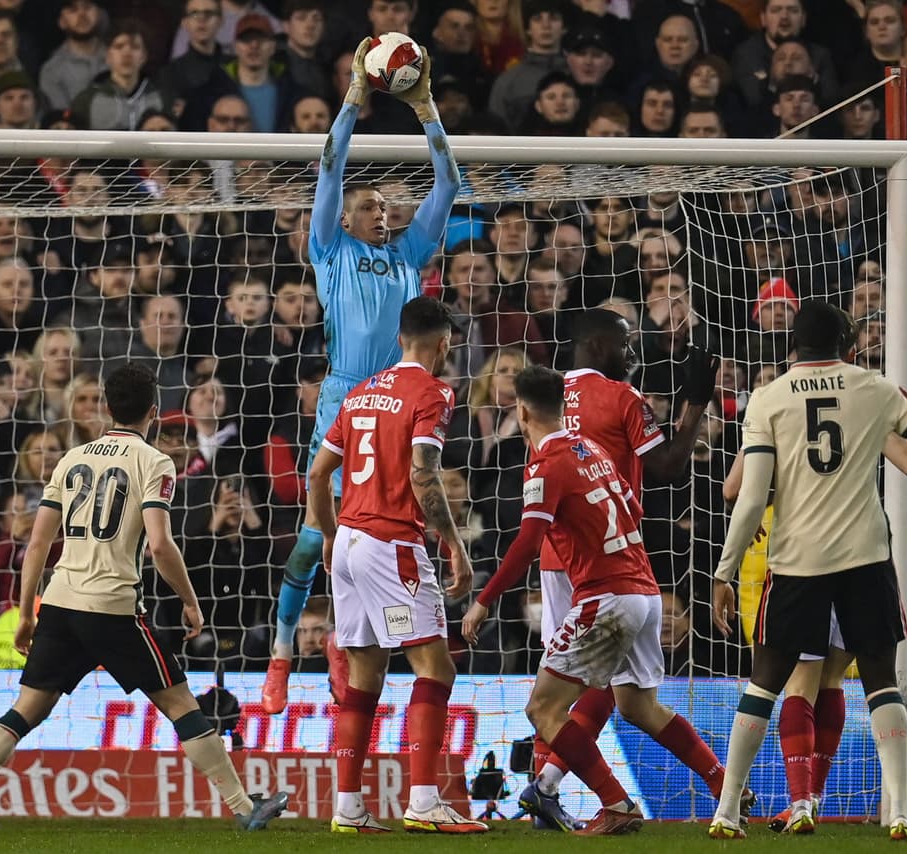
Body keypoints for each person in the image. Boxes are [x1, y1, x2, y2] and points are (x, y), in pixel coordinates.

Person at [0, 364, 288, 830]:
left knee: (28, 707)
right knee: (181, 704)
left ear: (106, 407)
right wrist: (190, 600)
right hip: (112, 607)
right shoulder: (155, 462)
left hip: (62, 603)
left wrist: (26, 614)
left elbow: (38, 544)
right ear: (151, 411)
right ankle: (246, 810)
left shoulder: (72, 459)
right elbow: (161, 545)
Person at [707, 302, 907, 841]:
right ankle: (899, 810)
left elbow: (751, 496)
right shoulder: (875, 387)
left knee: (765, 684)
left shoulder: (768, 397)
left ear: (793, 347)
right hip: (865, 559)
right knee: (880, 684)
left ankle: (728, 809)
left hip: (796, 562)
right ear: (846, 344)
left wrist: (723, 573)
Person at [260, 37, 461, 714]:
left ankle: (355, 644)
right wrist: (353, 99)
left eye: (385, 206)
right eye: (368, 205)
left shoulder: (409, 253)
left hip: (401, 395)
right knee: (320, 534)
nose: (381, 211)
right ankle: (283, 650)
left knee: (385, 529)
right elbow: (329, 164)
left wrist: (427, 111)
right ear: (345, 218)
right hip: (348, 393)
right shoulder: (330, 247)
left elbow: (450, 184)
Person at [511, 309, 744, 832]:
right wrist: (693, 405)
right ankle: (552, 794)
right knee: (607, 689)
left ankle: (549, 792)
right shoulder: (621, 398)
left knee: (579, 685)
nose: (633, 353)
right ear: (596, 344)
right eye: (626, 343)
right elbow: (666, 468)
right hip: (617, 559)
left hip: (559, 557)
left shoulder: (544, 396)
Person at [722, 432, 907, 832]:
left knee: (796, 684)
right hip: (863, 558)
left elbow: (731, 488)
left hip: (802, 557)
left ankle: (791, 803)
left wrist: (750, 506)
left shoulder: (777, 402)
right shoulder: (868, 399)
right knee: (852, 681)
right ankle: (871, 804)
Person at [460, 365, 668, 835]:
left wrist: (484, 600)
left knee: (543, 709)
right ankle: (722, 787)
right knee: (627, 700)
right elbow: (633, 507)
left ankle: (613, 801)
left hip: (602, 596)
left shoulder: (545, 463)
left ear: (522, 410)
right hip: (639, 585)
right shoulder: (591, 447)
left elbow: (528, 542)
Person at [309, 297, 485, 834]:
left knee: (365, 675)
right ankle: (425, 801)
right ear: (444, 342)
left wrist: (329, 535)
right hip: (392, 546)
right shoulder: (434, 393)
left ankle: (348, 808)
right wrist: (453, 543)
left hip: (349, 542)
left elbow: (317, 475)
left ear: (401, 336)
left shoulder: (362, 392)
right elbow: (424, 475)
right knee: (436, 667)